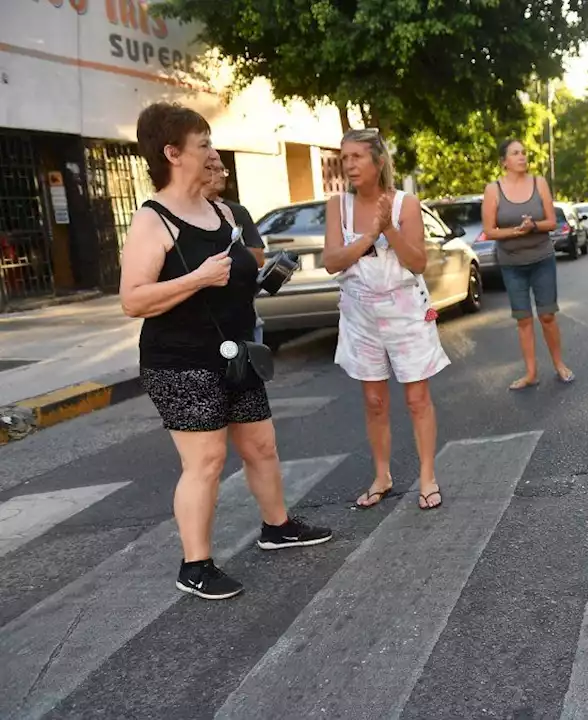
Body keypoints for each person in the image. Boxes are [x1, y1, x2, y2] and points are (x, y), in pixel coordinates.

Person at [119, 102, 331, 601]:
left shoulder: (220, 212)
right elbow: (132, 299)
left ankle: (276, 527)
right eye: (204, 145)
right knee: (208, 460)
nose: (213, 153)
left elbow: (231, 281)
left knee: (261, 445)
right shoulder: (155, 221)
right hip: (180, 360)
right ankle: (195, 565)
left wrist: (259, 278)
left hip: (234, 353)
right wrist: (196, 278)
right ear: (172, 153)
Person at [324, 128, 451, 512]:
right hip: (359, 312)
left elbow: (417, 263)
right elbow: (332, 262)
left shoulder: (405, 204)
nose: (349, 165)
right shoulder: (338, 206)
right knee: (374, 400)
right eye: (344, 158)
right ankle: (382, 475)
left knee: (416, 397)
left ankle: (427, 475)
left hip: (405, 310)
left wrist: (389, 228)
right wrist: (369, 237)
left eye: (356, 157)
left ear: (378, 162)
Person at [482, 138, 575, 390]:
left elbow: (551, 223)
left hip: (542, 259)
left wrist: (533, 226)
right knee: (523, 319)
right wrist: (516, 231)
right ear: (504, 162)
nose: (522, 157)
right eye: (515, 153)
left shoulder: (539, 183)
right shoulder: (493, 190)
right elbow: (489, 231)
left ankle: (559, 364)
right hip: (512, 264)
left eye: (523, 152)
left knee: (547, 316)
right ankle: (531, 373)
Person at [202, 151, 266, 343]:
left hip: (243, 319)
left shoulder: (236, 211)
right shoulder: (177, 214)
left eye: (223, 169)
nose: (221, 174)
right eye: (214, 168)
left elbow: (258, 257)